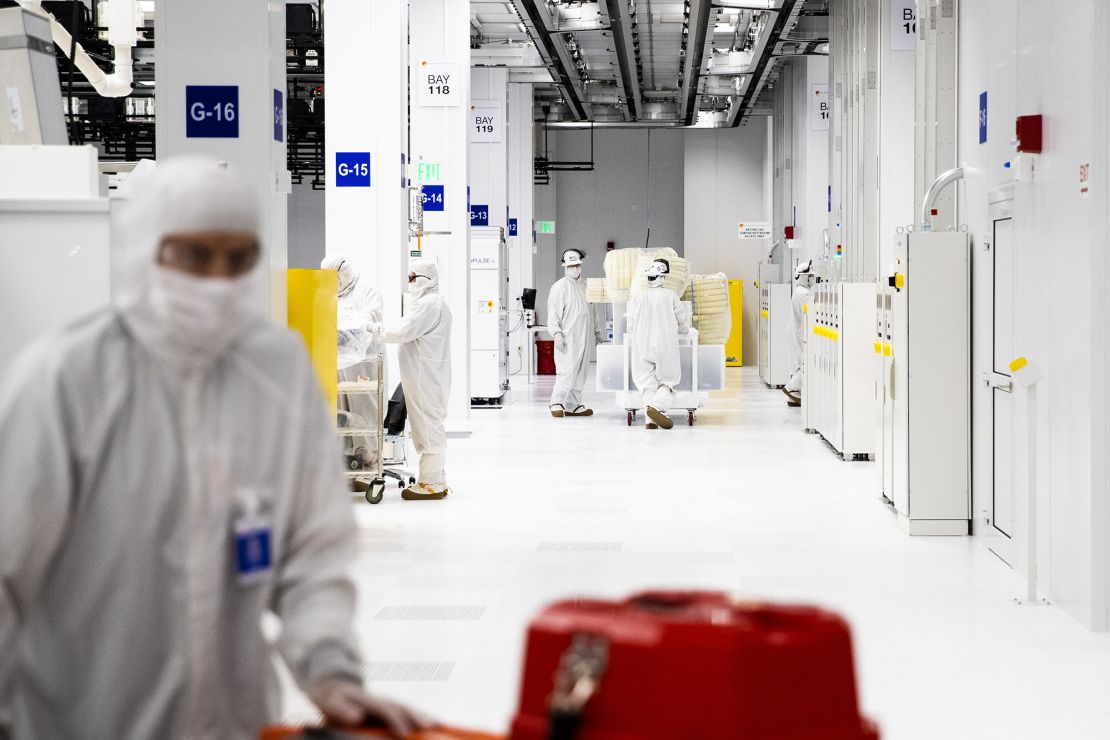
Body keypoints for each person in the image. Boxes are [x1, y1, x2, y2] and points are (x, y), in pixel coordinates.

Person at [0, 158, 427, 739]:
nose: (218, 279)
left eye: (239, 258)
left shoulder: (277, 373)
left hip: (236, 719)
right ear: (143, 252)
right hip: (80, 721)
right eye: (195, 255)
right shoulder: (66, 382)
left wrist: (330, 670)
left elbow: (313, 551)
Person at [379, 261, 452, 501]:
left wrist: (372, 330)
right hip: (427, 373)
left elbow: (403, 330)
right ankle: (437, 479)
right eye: (408, 278)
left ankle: (431, 484)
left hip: (424, 375)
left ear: (429, 279)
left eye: (414, 278)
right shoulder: (434, 303)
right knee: (429, 424)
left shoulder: (429, 304)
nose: (410, 283)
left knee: (427, 427)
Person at [322, 254, 384, 468]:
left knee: (364, 403)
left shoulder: (367, 289)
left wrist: (349, 331)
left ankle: (371, 456)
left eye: (336, 277)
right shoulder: (333, 294)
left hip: (364, 360)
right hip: (339, 359)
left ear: (344, 271)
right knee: (341, 407)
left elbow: (370, 316)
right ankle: (347, 457)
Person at [627, 258, 689, 430]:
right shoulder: (671, 296)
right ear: (663, 277)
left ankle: (650, 421)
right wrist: (685, 330)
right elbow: (682, 320)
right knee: (668, 380)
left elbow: (631, 323)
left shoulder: (638, 296)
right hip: (665, 344)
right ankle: (657, 407)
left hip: (642, 344)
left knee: (646, 383)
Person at [547, 248, 601, 418]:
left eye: (577, 265)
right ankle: (556, 402)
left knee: (581, 371)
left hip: (585, 336)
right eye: (571, 266)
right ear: (565, 266)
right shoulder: (559, 287)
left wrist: (597, 332)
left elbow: (593, 310)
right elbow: (553, 313)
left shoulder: (586, 286)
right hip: (568, 337)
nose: (575, 268)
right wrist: (557, 334)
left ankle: (573, 405)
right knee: (567, 370)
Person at [783, 259, 816, 407]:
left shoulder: (800, 291)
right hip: (799, 333)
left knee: (797, 364)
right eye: (810, 276)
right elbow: (813, 312)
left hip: (795, 331)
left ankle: (794, 397)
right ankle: (791, 388)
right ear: (804, 277)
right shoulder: (804, 293)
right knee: (804, 364)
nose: (812, 279)